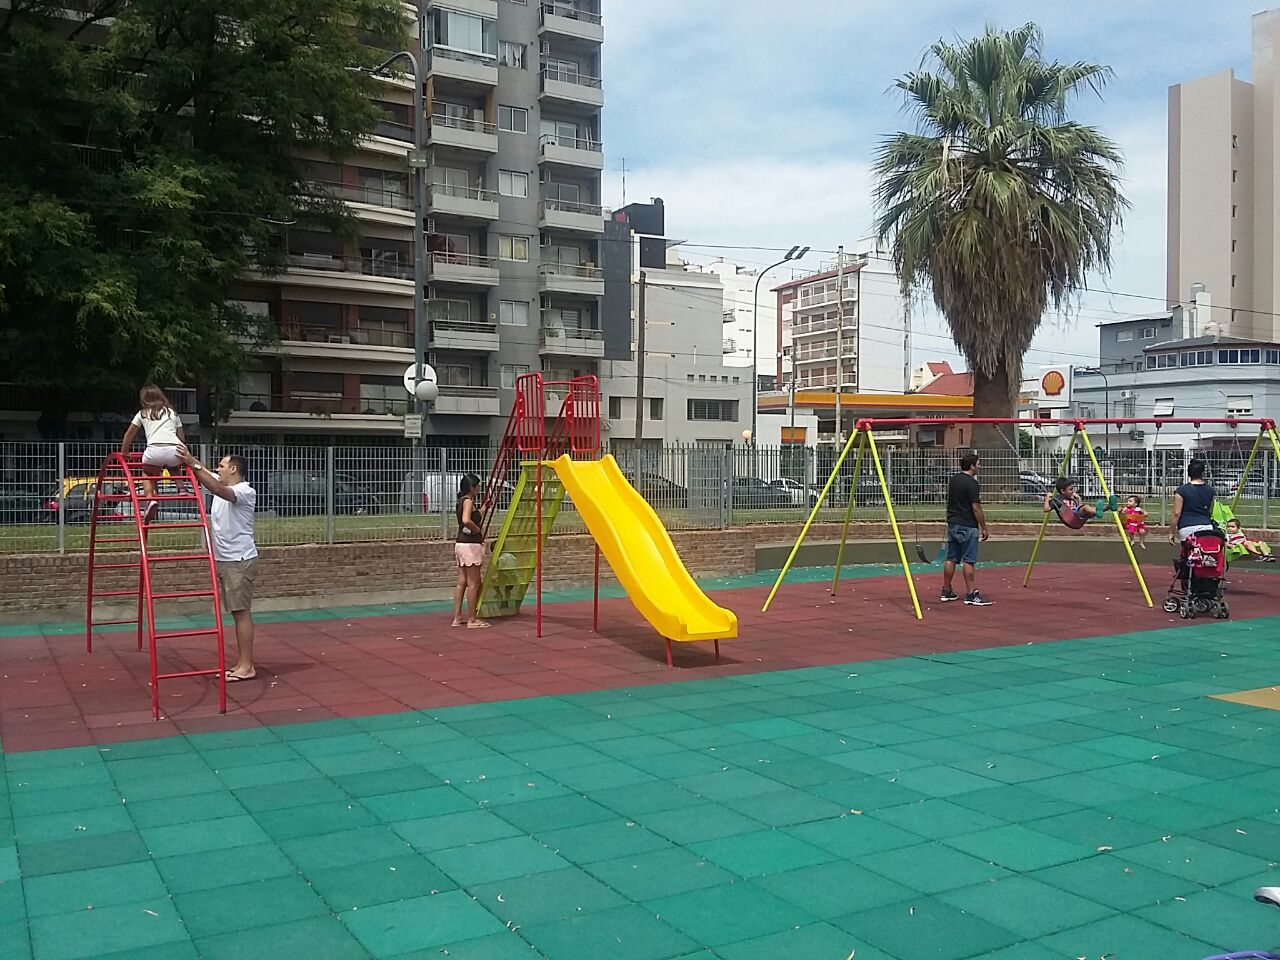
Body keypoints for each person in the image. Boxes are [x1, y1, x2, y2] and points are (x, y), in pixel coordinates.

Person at [177, 446, 259, 681]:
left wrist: (193, 462)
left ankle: (247, 666)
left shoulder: (244, 491)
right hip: (225, 559)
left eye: (222, 465)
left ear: (233, 469)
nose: (218, 468)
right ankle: (242, 663)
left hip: (239, 560)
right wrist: (186, 459)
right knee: (235, 612)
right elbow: (204, 474)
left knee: (241, 612)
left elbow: (216, 488)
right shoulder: (221, 483)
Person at [119, 384, 186, 522]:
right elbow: (181, 437)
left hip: (154, 450)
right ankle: (181, 488)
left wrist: (125, 451)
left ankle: (150, 499)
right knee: (173, 466)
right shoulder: (172, 412)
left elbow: (129, 434)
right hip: (175, 449)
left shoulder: (143, 413)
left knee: (148, 472)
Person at [942, 453, 991, 606]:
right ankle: (970, 593)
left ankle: (946, 589)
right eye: (979, 463)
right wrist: (983, 527)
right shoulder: (972, 484)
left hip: (953, 522)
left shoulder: (954, 480)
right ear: (972, 466)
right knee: (969, 560)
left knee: (951, 558)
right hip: (967, 524)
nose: (980, 466)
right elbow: (976, 507)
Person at [453, 474, 491, 629]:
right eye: (477, 487)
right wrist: (477, 530)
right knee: (473, 583)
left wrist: (483, 509)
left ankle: (457, 617)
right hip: (470, 545)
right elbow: (466, 520)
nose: (479, 489)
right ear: (472, 488)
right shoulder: (468, 501)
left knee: (461, 582)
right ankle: (472, 619)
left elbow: (473, 517)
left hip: (460, 544)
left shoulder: (461, 501)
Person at [1170, 459, 1216, 544]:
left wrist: (1171, 532)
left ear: (1189, 473)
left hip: (1187, 526)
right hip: (1206, 526)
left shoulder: (1181, 490)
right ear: (1202, 473)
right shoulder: (1210, 490)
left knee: (1188, 553)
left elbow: (1176, 513)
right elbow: (1210, 510)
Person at [1044, 478, 1117, 530]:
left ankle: (1109, 506)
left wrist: (1078, 498)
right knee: (1086, 507)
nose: (1073, 491)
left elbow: (1079, 506)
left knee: (1090, 509)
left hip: (1078, 516)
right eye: (1070, 489)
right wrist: (1047, 498)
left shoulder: (1072, 498)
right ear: (1063, 491)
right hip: (1071, 518)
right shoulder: (1057, 500)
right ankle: (1098, 512)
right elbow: (1046, 509)